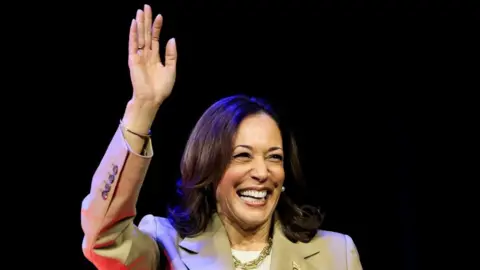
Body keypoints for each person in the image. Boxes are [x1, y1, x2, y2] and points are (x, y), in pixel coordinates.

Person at [81, 4, 363, 270]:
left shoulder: (336, 254)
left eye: (274, 157)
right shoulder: (166, 245)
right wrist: (143, 106)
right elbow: (104, 240)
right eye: (242, 155)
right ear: (209, 169)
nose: (262, 172)